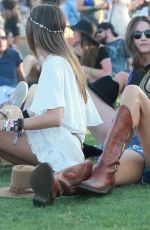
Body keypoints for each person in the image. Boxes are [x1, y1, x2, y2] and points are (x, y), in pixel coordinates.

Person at [29, 15, 150, 206]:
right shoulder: (133, 72)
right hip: (139, 149)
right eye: (137, 34)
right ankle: (56, 185)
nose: (143, 37)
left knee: (133, 92)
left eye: (148, 33)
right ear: (131, 39)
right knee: (104, 175)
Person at [0, 3, 102, 202]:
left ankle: (49, 174)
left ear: (35, 31)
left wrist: (10, 124)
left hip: (60, 146)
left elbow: (55, 117)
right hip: (70, 147)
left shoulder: (54, 63)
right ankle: (40, 176)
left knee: (3, 129)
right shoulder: (66, 61)